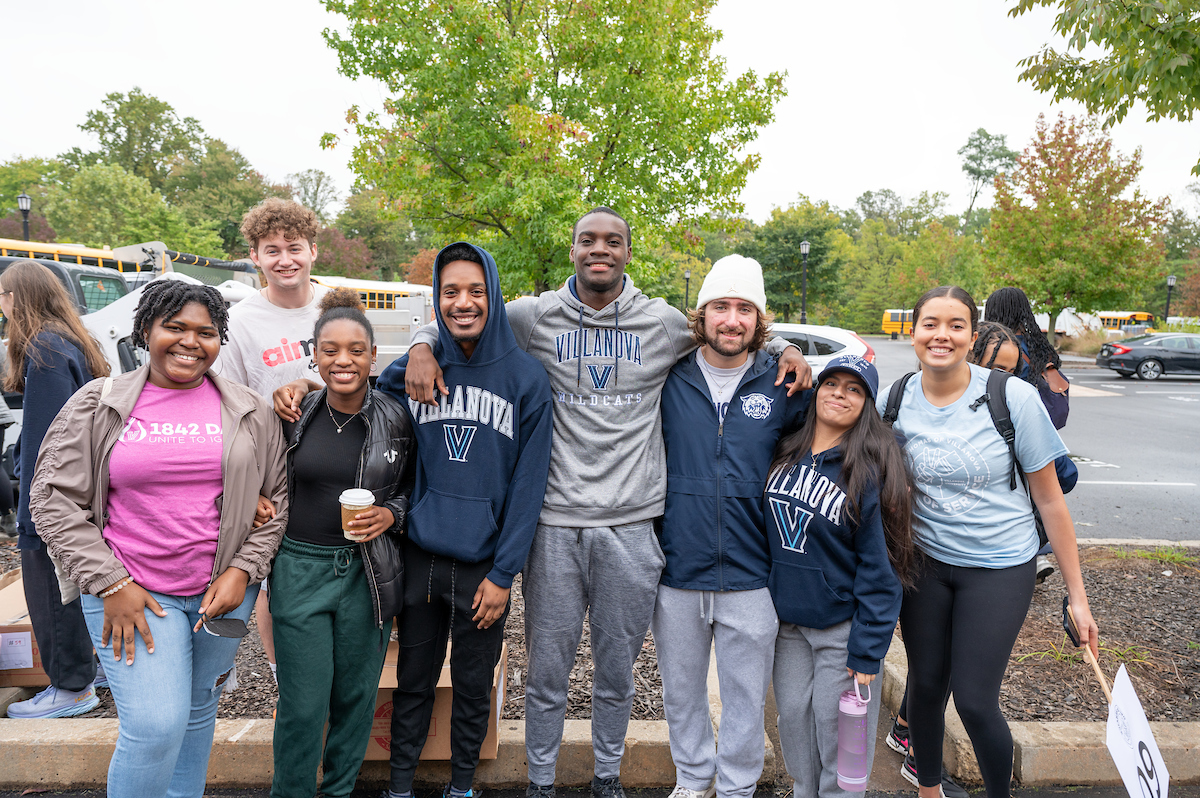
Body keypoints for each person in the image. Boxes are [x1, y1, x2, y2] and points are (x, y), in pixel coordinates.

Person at [395, 208, 811, 798]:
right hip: (554, 525)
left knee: (617, 673)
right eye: (587, 239)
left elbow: (732, 328)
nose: (599, 249)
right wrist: (421, 344)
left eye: (612, 241)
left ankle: (607, 777)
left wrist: (789, 347)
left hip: (632, 527)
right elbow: (463, 317)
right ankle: (541, 782)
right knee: (547, 673)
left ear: (627, 253)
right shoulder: (533, 317)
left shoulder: (661, 323)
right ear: (572, 250)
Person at [276, 243, 554, 798]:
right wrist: (307, 386)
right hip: (420, 554)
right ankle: (399, 786)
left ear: (495, 295)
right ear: (436, 299)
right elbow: (354, 395)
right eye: (450, 292)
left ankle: (462, 788)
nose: (463, 302)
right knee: (413, 681)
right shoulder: (410, 370)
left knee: (473, 685)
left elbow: (529, 488)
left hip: (483, 567)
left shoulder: (527, 379)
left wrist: (505, 573)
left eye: (476, 291)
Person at [29, 279, 288, 798]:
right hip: (133, 592)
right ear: (146, 330)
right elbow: (51, 499)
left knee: (197, 710)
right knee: (154, 727)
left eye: (206, 332)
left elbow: (276, 499)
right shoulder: (98, 403)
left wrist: (243, 571)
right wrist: (109, 583)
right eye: (175, 327)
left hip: (223, 595)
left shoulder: (249, 408)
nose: (191, 342)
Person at [877, 285, 1097, 798]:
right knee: (925, 688)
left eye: (956, 325)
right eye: (931, 323)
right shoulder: (896, 398)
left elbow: (1051, 501)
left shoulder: (1012, 397)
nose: (942, 335)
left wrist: (1078, 597)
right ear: (913, 332)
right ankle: (928, 790)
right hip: (925, 564)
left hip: (999, 567)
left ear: (972, 335)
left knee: (975, 701)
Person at [652, 255, 810, 798]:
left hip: (753, 570)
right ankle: (693, 779)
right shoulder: (669, 376)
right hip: (678, 565)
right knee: (681, 691)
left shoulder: (784, 384)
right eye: (721, 306)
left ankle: (739, 786)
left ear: (759, 321)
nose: (732, 320)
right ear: (702, 314)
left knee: (746, 694)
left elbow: (825, 442)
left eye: (746, 309)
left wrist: (788, 351)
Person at [269, 289, 415, 798]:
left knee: (355, 700)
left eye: (356, 350)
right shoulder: (296, 412)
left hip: (367, 571)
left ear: (374, 356)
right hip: (300, 567)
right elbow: (265, 475)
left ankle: (338, 792)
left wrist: (391, 514)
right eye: (330, 350)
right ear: (315, 355)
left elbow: (415, 489)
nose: (343, 360)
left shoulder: (397, 418)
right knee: (303, 704)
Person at [766, 354, 914, 798]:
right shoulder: (784, 449)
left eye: (854, 389)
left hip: (841, 627)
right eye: (831, 383)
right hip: (787, 624)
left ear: (867, 404)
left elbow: (883, 566)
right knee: (793, 721)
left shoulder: (869, 469)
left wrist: (867, 650)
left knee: (839, 732)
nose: (839, 394)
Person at [219, 197, 329, 684]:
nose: (285, 260)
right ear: (254, 256)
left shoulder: (337, 305)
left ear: (313, 251)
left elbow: (366, 377)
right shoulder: (241, 320)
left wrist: (309, 385)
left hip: (339, 460)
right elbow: (229, 405)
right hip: (276, 467)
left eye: (294, 247)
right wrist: (249, 487)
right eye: (272, 250)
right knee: (274, 577)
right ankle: (284, 675)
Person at [2, 260, 109, 719]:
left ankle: (71, 688)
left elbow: (47, 437)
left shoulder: (42, 347)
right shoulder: (72, 340)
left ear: (17, 297)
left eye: (3, 295)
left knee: (50, 590)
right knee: (82, 583)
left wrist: (34, 510)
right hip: (83, 488)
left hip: (53, 495)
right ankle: (94, 670)